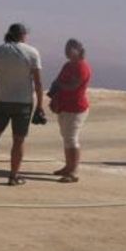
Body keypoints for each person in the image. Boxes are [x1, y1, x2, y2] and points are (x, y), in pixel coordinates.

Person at [0, 22, 45, 185]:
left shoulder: (0, 50)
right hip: (23, 102)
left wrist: (1, 81)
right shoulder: (32, 52)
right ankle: (13, 176)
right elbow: (38, 83)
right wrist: (40, 105)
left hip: (2, 100)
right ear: (23, 35)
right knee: (18, 140)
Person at [49, 38, 92, 183]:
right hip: (64, 106)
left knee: (72, 138)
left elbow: (73, 86)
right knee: (66, 137)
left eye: (69, 49)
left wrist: (59, 85)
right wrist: (54, 97)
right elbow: (58, 82)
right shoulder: (67, 65)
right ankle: (68, 166)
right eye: (66, 48)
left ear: (78, 50)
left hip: (76, 108)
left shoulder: (82, 67)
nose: (66, 51)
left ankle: (73, 171)